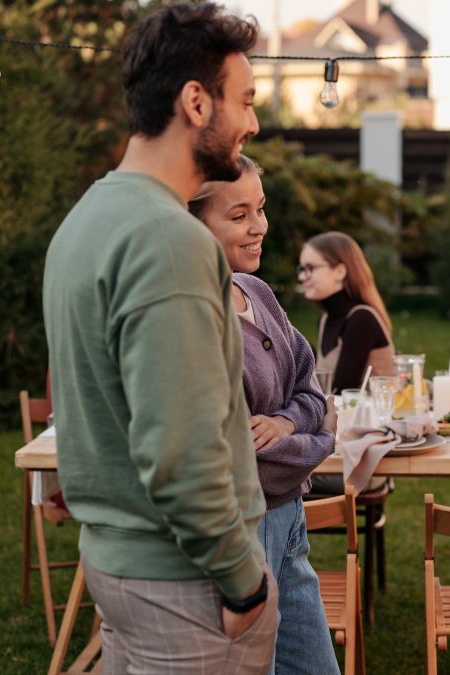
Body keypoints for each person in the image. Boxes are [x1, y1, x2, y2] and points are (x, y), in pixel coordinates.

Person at [42, 4, 277, 672]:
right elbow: (180, 448)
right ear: (196, 102)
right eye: (246, 100)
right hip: (187, 587)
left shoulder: (89, 218)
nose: (254, 122)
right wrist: (244, 579)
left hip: (120, 566)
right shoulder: (169, 239)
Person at [189, 155, 341, 675]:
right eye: (238, 216)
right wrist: (318, 443)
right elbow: (244, 457)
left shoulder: (257, 292)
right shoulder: (192, 317)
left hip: (290, 524)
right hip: (243, 531)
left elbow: (313, 392)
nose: (259, 227)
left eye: (261, 208)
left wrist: (290, 425)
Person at [298, 231, 394, 394]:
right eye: (301, 269)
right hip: (342, 418)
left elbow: (340, 392)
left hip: (377, 418)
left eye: (310, 268)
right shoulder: (325, 319)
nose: (302, 277)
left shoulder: (361, 319)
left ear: (340, 272)